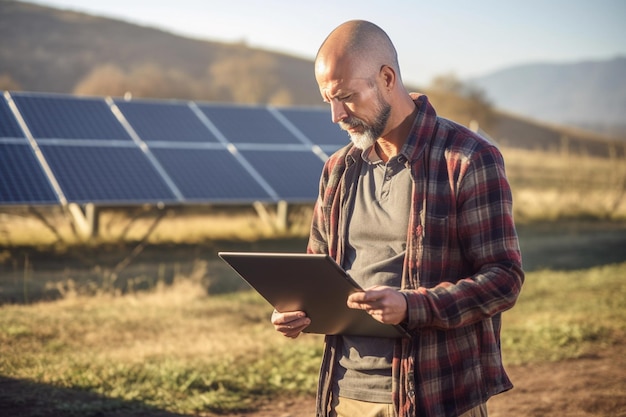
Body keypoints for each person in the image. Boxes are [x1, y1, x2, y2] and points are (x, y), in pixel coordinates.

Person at [271, 20, 524, 417]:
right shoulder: (337, 169)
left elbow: (504, 280)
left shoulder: (468, 158)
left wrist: (412, 306)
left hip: (437, 395)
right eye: (328, 101)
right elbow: (315, 268)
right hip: (345, 394)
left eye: (347, 97)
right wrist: (294, 309)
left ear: (387, 78)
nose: (336, 115)